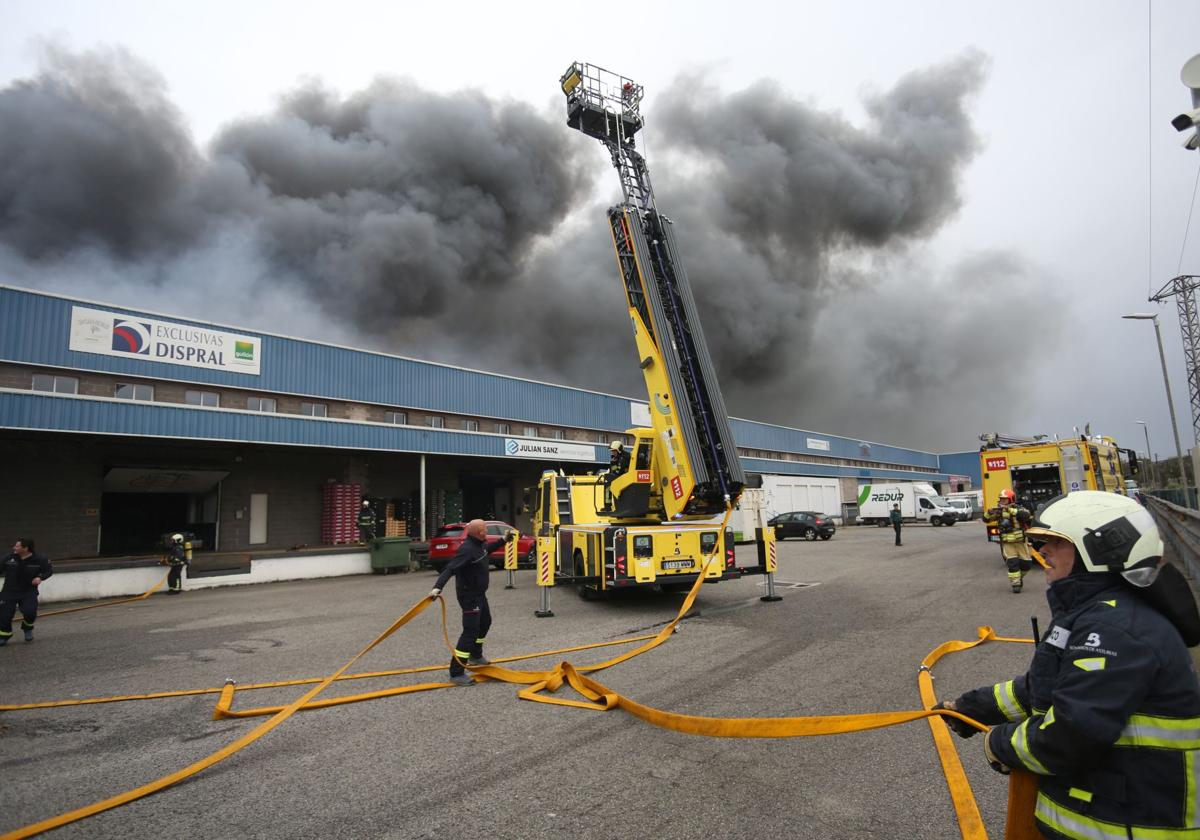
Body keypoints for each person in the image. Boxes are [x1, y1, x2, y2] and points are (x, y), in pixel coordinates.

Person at [935, 491, 1200, 839]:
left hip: (1129, 825)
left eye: (1055, 543)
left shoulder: (1115, 631)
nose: (1043, 552)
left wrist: (998, 744)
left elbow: (1069, 737)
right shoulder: (1097, 614)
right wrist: (972, 708)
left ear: (1100, 550)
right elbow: (1045, 687)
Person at [429, 519, 514, 686]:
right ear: (477, 532)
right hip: (469, 597)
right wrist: (437, 588)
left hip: (479, 594)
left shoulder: (479, 544)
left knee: (485, 622)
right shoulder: (467, 549)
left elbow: (486, 551)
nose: (486, 532)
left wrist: (503, 540)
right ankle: (456, 672)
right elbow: (450, 568)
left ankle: (475, 655)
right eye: (484, 530)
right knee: (470, 632)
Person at [1, 538, 53, 645]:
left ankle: (27, 627)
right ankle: (4, 635)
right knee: (4, 615)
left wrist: (40, 577)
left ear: (26, 548)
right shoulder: (8, 558)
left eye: (17, 546)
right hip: (9, 591)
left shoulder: (40, 559)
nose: (14, 548)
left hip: (28, 591)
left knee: (30, 612)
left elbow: (48, 571)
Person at [983, 488, 1033, 592]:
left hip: (1021, 541)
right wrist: (989, 512)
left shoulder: (1019, 509)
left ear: (1011, 499)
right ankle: (1016, 584)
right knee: (1012, 563)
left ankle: (1019, 578)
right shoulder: (999, 512)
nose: (1002, 502)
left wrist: (1010, 510)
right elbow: (986, 519)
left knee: (1026, 564)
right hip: (1007, 543)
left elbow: (1026, 516)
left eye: (1004, 500)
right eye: (1001, 499)